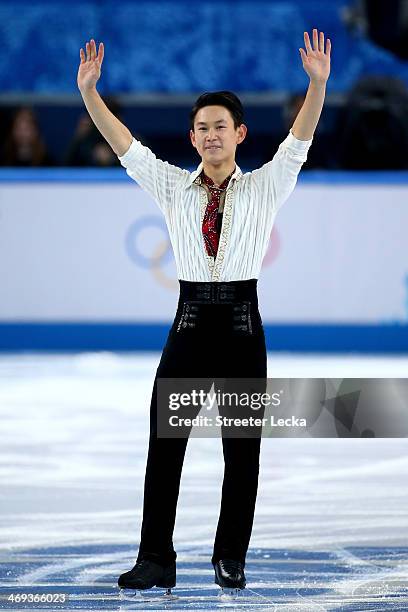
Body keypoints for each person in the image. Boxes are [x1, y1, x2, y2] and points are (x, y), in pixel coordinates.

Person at [77, 30, 331, 596]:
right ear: (192, 139)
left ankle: (229, 559)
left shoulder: (267, 187)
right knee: (165, 449)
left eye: (221, 125)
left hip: (242, 328)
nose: (211, 134)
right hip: (189, 328)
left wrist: (316, 85)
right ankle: (154, 558)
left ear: (239, 134)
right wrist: (92, 96)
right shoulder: (172, 187)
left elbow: (298, 143)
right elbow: (126, 148)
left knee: (242, 456)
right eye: (202, 127)